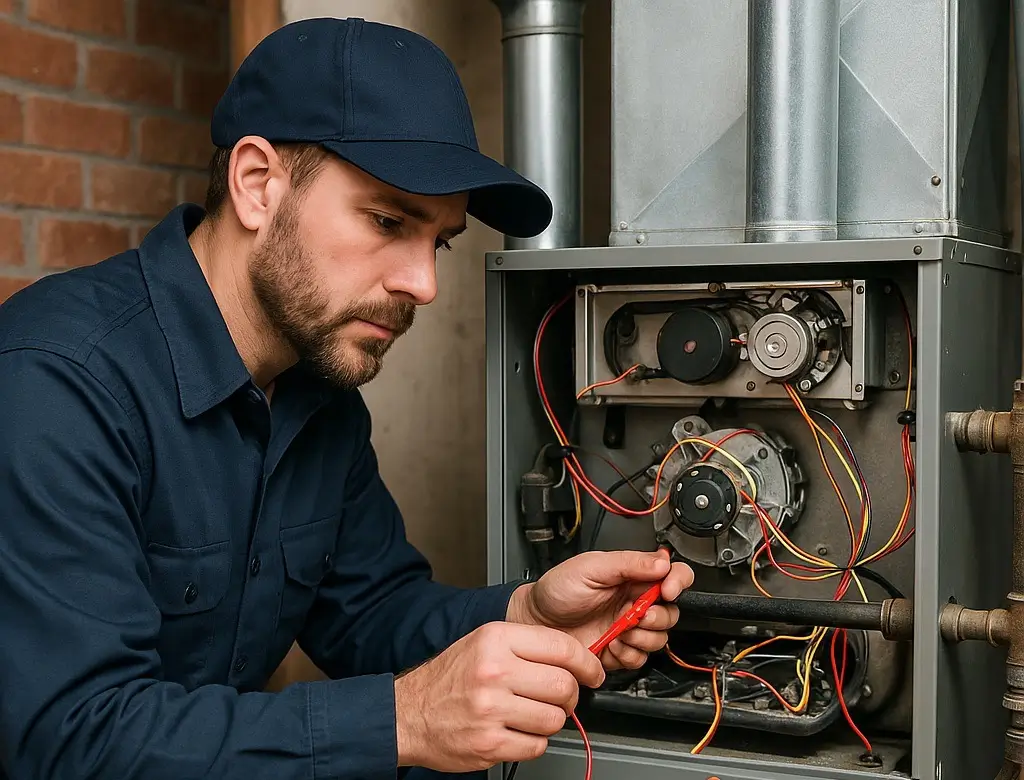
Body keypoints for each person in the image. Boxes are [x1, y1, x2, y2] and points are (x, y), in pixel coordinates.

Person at [0, 16, 693, 780]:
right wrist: (406, 719)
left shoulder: (318, 393)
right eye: (387, 220)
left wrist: (527, 612)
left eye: (438, 241)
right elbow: (71, 741)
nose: (422, 284)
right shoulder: (56, 382)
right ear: (259, 184)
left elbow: (371, 614)